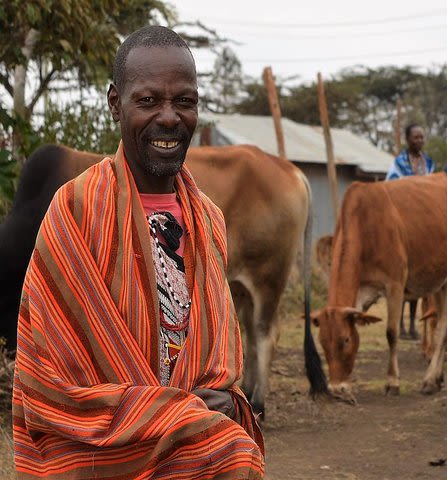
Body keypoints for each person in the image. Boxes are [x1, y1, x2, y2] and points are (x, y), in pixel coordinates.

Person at [12, 26, 265, 479]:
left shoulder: (209, 222)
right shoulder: (74, 210)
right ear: (115, 104)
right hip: (101, 449)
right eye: (148, 101)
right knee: (233, 454)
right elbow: (52, 376)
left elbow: (217, 358)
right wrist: (170, 413)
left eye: (184, 101)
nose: (169, 117)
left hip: (196, 443)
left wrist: (226, 400)